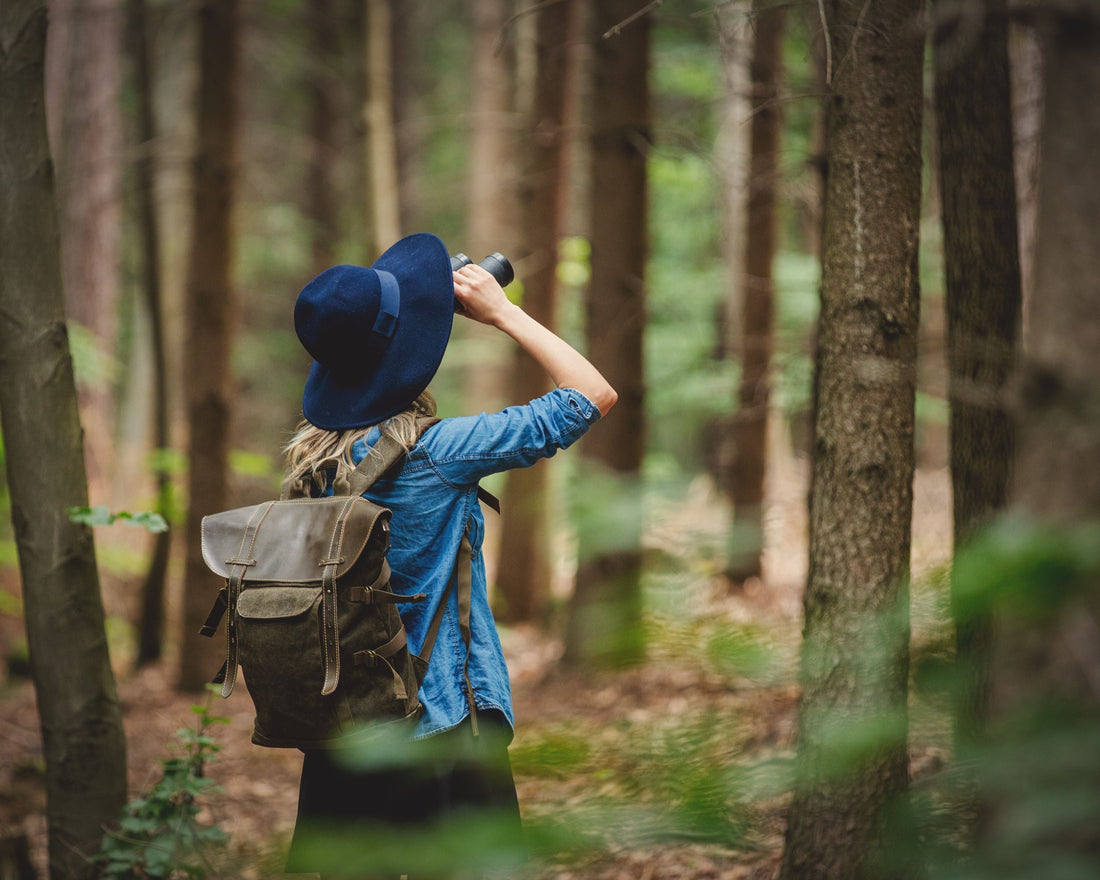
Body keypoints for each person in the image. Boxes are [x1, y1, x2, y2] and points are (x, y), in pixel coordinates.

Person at [281, 233, 616, 879]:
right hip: (439, 725)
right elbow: (590, 395)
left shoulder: (311, 463)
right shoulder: (443, 452)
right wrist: (502, 312)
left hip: (342, 732)